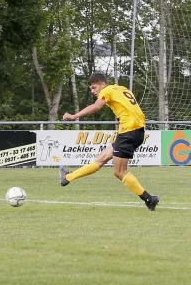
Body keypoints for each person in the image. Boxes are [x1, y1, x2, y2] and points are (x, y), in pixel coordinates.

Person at [60, 73, 159, 211]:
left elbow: (96, 107)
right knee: (101, 158)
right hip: (138, 132)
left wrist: (75, 116)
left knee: (120, 172)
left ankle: (149, 199)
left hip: (128, 132)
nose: (93, 91)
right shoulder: (122, 89)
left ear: (102, 84)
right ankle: (67, 178)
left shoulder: (107, 91)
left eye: (94, 87)